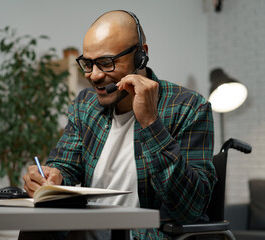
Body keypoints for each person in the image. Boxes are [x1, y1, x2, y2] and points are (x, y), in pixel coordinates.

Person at [21, 10, 217, 240]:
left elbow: (190, 208)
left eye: (106, 63)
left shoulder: (190, 108)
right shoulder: (85, 105)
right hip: (91, 230)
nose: (93, 76)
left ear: (141, 55)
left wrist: (151, 123)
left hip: (146, 235)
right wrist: (52, 178)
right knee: (35, 228)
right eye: (87, 63)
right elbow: (65, 165)